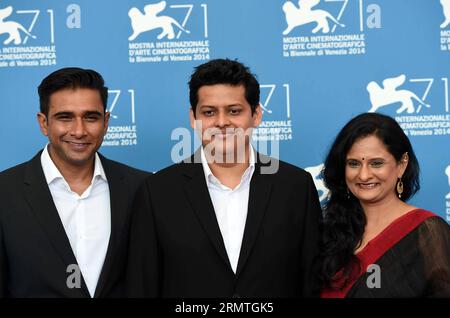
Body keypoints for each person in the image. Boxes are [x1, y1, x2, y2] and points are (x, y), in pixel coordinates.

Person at [127, 59, 322, 297]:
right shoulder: (157, 192)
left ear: (256, 114)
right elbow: (143, 286)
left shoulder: (295, 186)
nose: (221, 122)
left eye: (234, 111)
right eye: (209, 112)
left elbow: (311, 282)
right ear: (193, 118)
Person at [0, 67, 150, 297]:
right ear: (43, 123)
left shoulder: (143, 188)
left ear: (106, 121)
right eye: (65, 117)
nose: (79, 131)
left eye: (91, 117)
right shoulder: (5, 192)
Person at [319, 112, 450, 297]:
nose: (364, 175)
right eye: (354, 164)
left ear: (401, 165)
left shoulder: (427, 231)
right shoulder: (330, 232)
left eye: (376, 163)